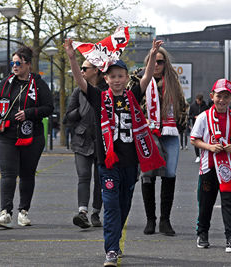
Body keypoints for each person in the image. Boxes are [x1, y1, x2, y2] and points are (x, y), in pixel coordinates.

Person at [65, 38, 163, 266]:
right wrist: (71, 56)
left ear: (126, 78)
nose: (117, 80)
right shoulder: (99, 97)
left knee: (124, 204)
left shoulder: (132, 96)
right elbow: (80, 80)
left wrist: (152, 54)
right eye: (112, 76)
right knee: (110, 206)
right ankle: (111, 249)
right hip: (108, 163)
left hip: (131, 162)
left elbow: (147, 78)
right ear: (105, 78)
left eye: (121, 76)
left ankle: (115, 239)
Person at [0, 46, 53, 228]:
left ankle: (23, 212)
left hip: (32, 135)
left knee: (27, 174)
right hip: (6, 135)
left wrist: (29, 113)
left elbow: (49, 107)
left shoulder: (38, 84)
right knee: (8, 173)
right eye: (12, 63)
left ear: (28, 65)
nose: (14, 66)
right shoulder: (6, 83)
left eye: (18, 63)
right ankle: (5, 212)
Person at [190, 78, 231, 254]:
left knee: (229, 203)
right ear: (212, 96)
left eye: (225, 97)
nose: (222, 100)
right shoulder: (203, 117)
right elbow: (194, 139)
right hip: (208, 166)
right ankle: (202, 233)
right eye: (219, 96)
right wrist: (209, 147)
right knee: (206, 202)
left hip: (228, 168)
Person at [140, 47, 188, 236]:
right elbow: (131, 103)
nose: (158, 65)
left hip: (169, 133)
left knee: (169, 173)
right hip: (147, 133)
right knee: (148, 174)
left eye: (161, 62)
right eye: (154, 61)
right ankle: (150, 220)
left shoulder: (174, 83)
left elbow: (184, 106)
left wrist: (178, 124)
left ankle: (165, 220)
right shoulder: (140, 81)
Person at [64, 60, 107, 229]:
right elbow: (67, 117)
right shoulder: (78, 91)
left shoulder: (106, 90)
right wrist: (78, 112)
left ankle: (96, 212)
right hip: (81, 140)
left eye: (85, 68)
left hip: (101, 140)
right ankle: (82, 212)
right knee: (83, 176)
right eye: (80, 68)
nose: (81, 71)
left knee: (100, 179)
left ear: (95, 70)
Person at [189, 94, 209, 163]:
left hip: (205, 126)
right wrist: (194, 117)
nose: (199, 102)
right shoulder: (192, 106)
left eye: (200, 101)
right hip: (195, 125)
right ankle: (197, 156)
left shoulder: (206, 107)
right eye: (197, 101)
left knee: (204, 140)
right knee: (195, 140)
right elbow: (190, 115)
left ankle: (203, 155)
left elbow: (208, 115)